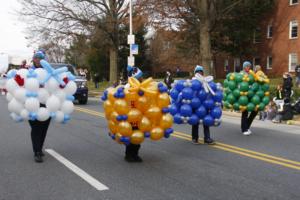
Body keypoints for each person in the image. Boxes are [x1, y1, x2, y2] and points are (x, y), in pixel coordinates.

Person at [29, 51, 51, 163]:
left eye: (40, 58)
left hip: (47, 102)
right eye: (36, 58)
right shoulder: (29, 71)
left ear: (43, 60)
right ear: (33, 59)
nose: (37, 60)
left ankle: (39, 148)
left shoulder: (48, 71)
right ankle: (36, 152)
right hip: (32, 102)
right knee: (36, 128)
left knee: (44, 128)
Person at [124, 65, 144, 162]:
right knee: (131, 135)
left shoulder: (141, 87)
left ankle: (135, 154)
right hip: (130, 116)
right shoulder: (128, 87)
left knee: (138, 135)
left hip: (139, 116)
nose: (142, 78)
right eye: (140, 77)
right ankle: (128, 155)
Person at [191, 65, 215, 145]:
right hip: (196, 104)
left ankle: (207, 138)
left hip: (205, 104)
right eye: (198, 72)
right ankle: (195, 138)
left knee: (206, 121)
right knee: (195, 122)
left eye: (201, 71)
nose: (199, 73)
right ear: (195, 73)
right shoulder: (193, 81)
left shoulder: (206, 81)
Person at [241, 61, 258, 136]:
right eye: (247, 66)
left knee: (255, 111)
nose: (248, 67)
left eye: (249, 66)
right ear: (244, 67)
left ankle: (246, 126)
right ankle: (244, 129)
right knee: (245, 112)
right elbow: (240, 84)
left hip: (251, 95)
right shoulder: (241, 74)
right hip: (244, 95)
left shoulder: (251, 74)